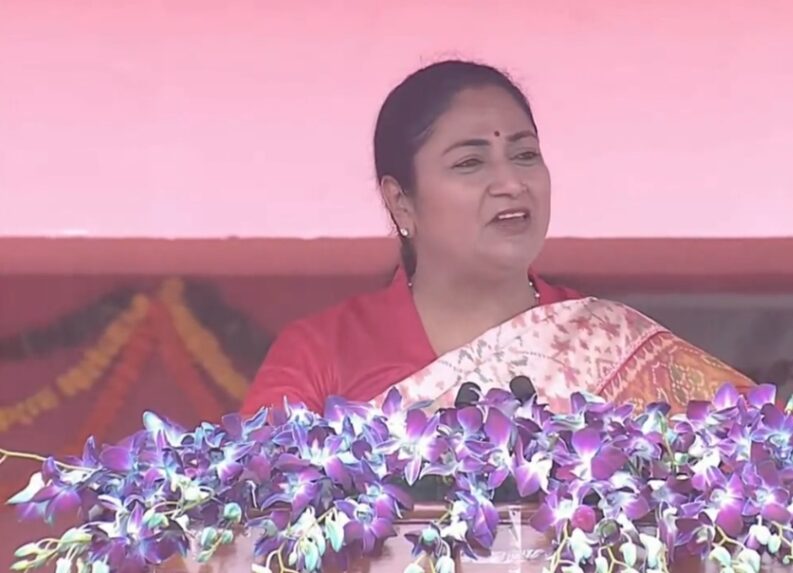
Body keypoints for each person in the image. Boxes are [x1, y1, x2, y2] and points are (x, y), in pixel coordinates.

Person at [241, 60, 751, 416]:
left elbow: (763, 467)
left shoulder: (610, 344)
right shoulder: (324, 353)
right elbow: (258, 514)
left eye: (525, 155)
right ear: (401, 201)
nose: (511, 182)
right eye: (470, 163)